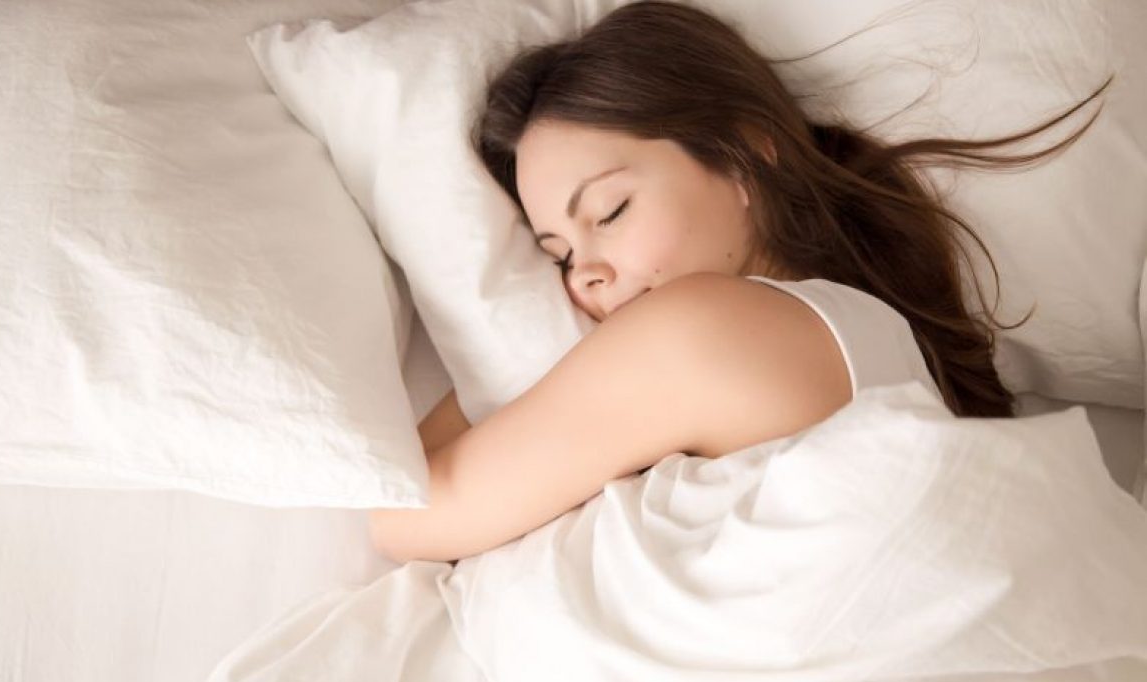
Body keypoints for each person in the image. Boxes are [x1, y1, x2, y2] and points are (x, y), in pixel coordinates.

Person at [369, 0, 1110, 564]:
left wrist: (488, 341)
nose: (583, 275)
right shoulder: (866, 336)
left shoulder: (701, 328)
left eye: (610, 210)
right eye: (556, 255)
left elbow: (404, 513)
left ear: (748, 157)